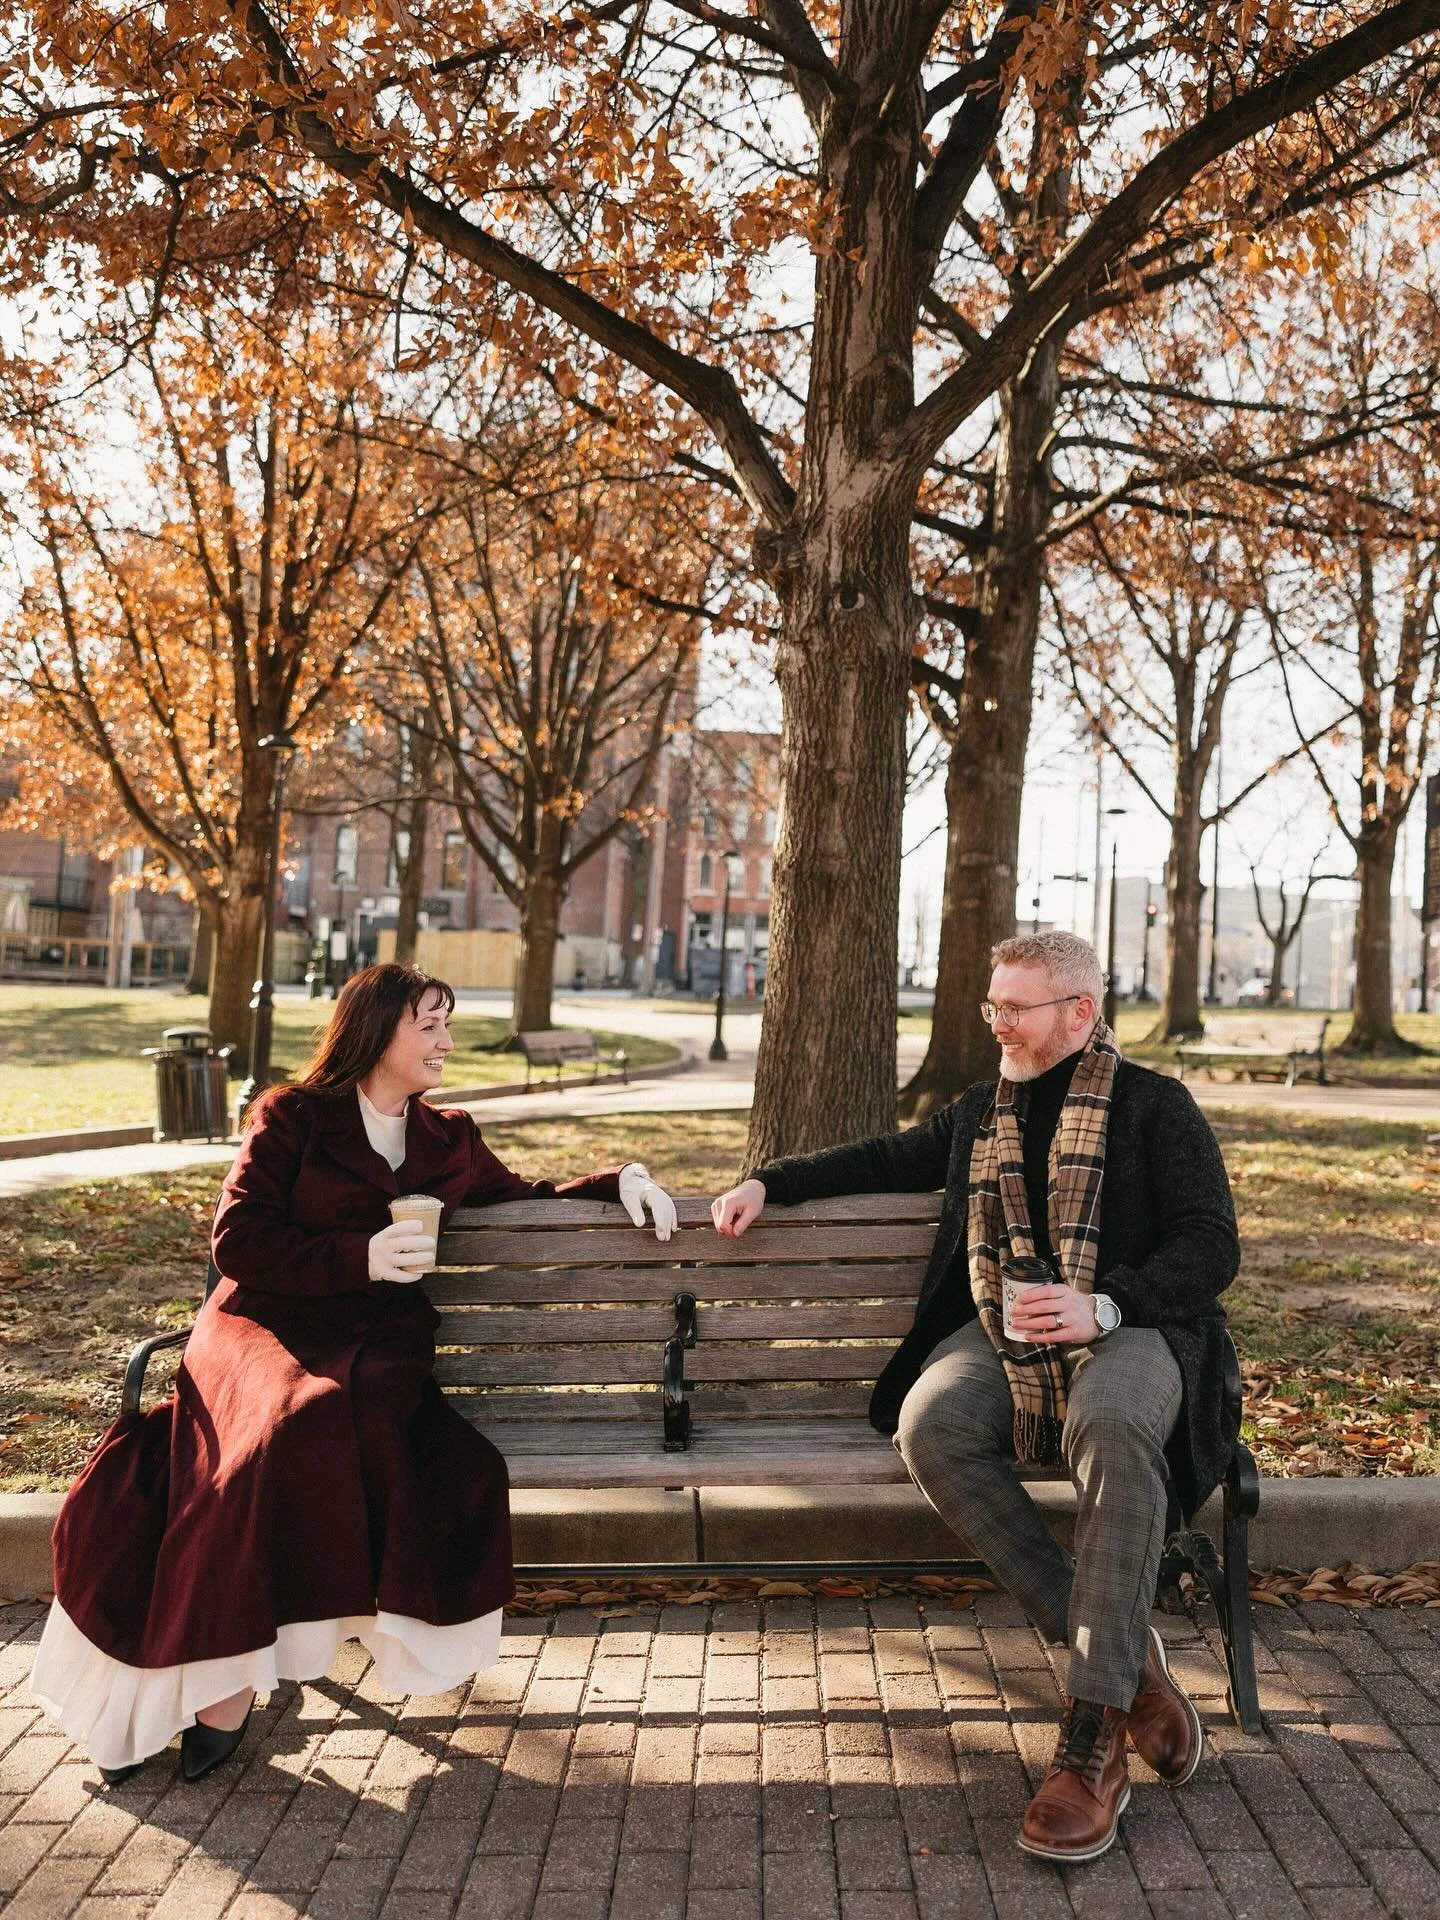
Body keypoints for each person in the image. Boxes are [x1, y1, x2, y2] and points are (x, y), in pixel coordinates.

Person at [31, 963, 678, 1786]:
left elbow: (528, 1194)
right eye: (431, 1025)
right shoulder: (292, 1116)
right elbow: (239, 1241)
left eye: (448, 1023)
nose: (447, 1041)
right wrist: (359, 1255)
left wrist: (624, 1180)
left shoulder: (450, 1140)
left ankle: (236, 1664)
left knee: (352, 1422)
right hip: (263, 1324)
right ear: (378, 1034)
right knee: (278, 1432)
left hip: (376, 1342)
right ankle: (212, 1677)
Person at [713, 931, 1240, 1866]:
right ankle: (1129, 1665)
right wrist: (769, 1178)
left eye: (1015, 1007)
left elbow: (1210, 1244)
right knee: (932, 1423)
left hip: (1134, 1328)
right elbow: (882, 1158)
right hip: (1002, 1330)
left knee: (1113, 1423)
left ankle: (1091, 1746)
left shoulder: (1158, 1107)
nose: (996, 1021)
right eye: (991, 1003)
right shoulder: (980, 1112)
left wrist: (1105, 1304)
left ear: (1078, 1013)